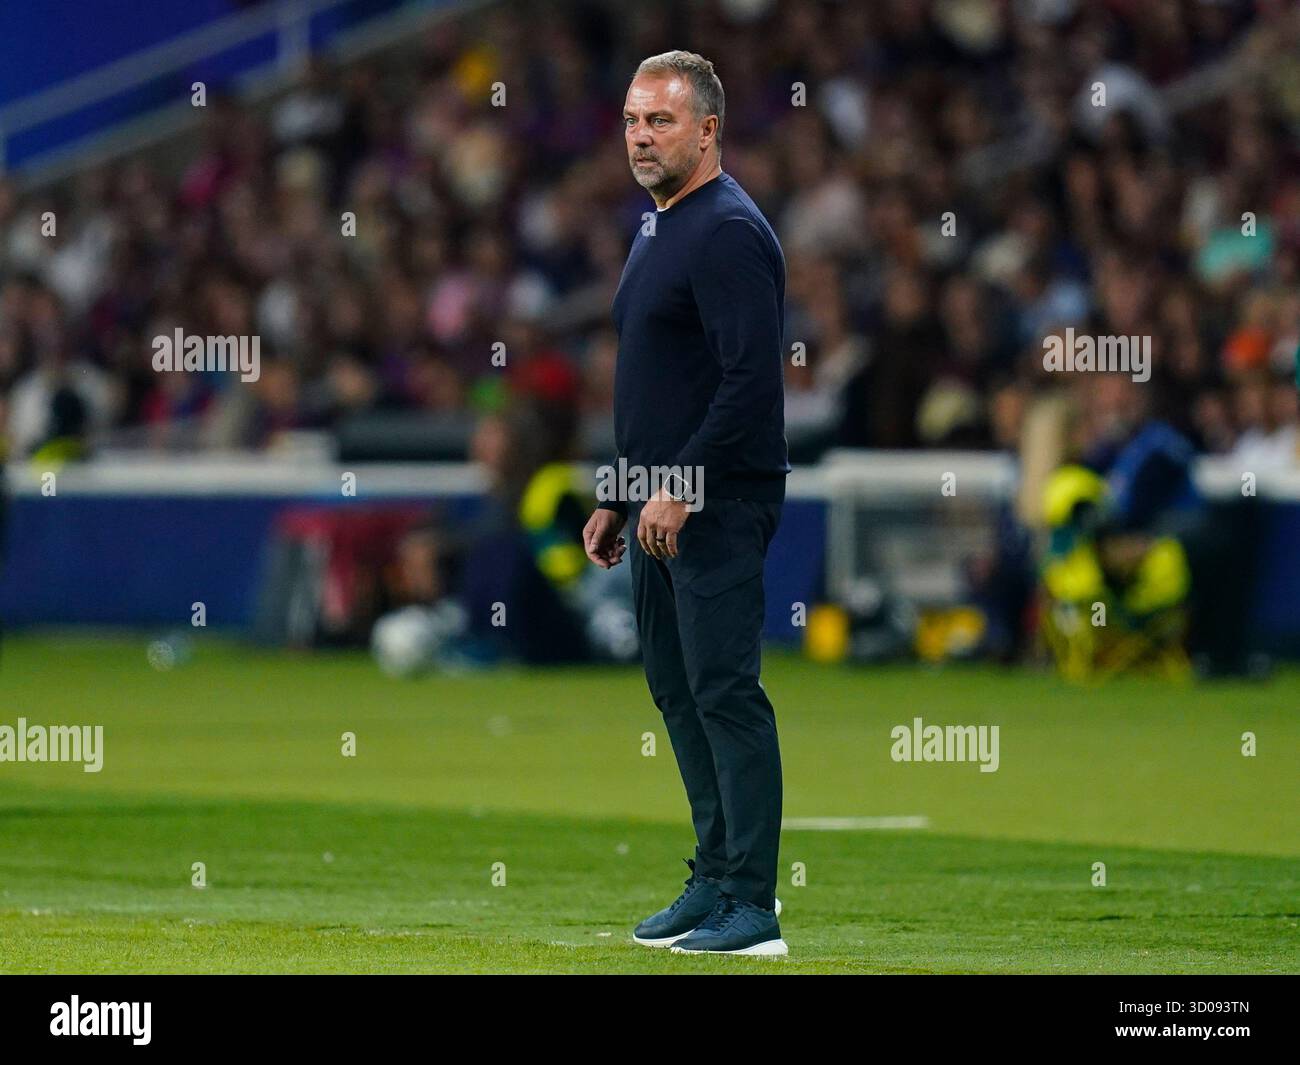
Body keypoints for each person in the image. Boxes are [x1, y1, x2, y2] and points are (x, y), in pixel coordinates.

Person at [582, 51, 791, 956]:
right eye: (632, 119)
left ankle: (754, 903)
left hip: (718, 502)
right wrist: (619, 491)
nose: (640, 136)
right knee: (676, 688)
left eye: (659, 121)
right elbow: (660, 383)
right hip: (659, 501)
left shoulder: (727, 231)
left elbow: (750, 383)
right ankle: (711, 879)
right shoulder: (659, 226)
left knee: (725, 691)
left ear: (708, 130)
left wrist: (678, 485)